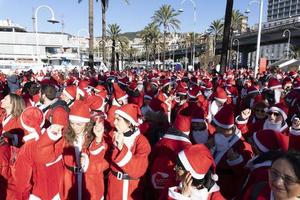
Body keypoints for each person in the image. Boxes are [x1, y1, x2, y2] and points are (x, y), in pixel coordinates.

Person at [106, 103, 151, 200]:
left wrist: (122, 147)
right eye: (115, 118)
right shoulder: (112, 135)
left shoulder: (142, 141)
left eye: (118, 119)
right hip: (114, 186)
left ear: (129, 123)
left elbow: (139, 169)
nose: (114, 122)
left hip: (132, 188)